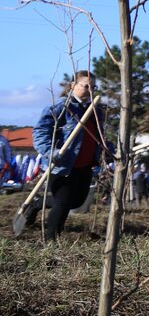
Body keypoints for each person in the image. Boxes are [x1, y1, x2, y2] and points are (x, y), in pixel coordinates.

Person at [22, 71, 109, 241]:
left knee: (76, 202)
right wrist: (50, 151)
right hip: (63, 165)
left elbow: (99, 136)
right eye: (85, 86)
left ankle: (37, 204)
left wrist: (110, 151)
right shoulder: (61, 107)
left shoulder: (95, 111)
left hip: (85, 166)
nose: (89, 90)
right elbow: (40, 132)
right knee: (62, 203)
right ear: (72, 85)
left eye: (93, 87)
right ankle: (51, 242)